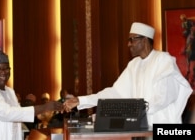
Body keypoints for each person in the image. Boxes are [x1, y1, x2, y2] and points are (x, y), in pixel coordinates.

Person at [63, 22, 193, 128]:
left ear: (145, 40)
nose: (128, 44)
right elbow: (115, 93)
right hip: (139, 130)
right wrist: (82, 100)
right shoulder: (134, 65)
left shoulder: (164, 61)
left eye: (132, 40)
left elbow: (161, 99)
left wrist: (123, 112)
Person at [0, 51, 63, 140]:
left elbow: (17, 119)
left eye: (6, 68)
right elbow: (8, 113)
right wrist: (44, 107)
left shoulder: (9, 92)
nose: (3, 72)